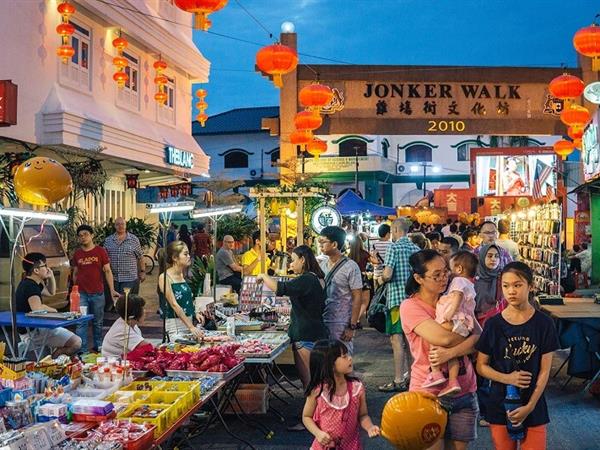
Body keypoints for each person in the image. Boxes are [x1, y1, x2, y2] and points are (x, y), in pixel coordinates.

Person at [401, 249, 481, 449]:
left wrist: (452, 352)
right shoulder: (410, 307)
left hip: (464, 389)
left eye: (446, 272)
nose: (444, 278)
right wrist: (466, 334)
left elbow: (481, 338)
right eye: (436, 275)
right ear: (418, 278)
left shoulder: (452, 298)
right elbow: (443, 338)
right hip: (428, 392)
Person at [476, 262, 559, 450]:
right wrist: (507, 378)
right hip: (500, 403)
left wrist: (530, 406)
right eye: (506, 286)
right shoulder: (493, 324)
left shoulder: (544, 323)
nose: (511, 291)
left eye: (517, 285)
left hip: (534, 403)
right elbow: (481, 366)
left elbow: (545, 371)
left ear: (531, 286)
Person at [302, 340, 380, 449]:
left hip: (351, 446)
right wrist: (318, 433)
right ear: (330, 364)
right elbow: (306, 416)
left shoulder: (357, 388)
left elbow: (363, 415)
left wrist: (370, 427)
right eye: (344, 356)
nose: (349, 358)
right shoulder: (318, 391)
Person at [423, 251, 478, 398]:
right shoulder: (470, 283)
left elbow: (458, 296)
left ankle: (436, 373)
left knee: (436, 343)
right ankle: (453, 381)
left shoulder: (458, 281)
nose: (447, 274)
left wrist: (450, 313)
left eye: (449, 269)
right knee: (451, 353)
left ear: (459, 269)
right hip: (463, 321)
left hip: (454, 319)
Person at [378, 218, 420, 392]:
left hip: (396, 301)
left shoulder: (393, 247)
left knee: (397, 340)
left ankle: (398, 379)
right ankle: (412, 378)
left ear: (395, 230)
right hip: (414, 301)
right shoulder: (416, 249)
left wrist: (380, 279)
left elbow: (387, 274)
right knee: (411, 342)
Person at [16, 253, 81, 357]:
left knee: (73, 343)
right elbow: (37, 309)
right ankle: (53, 359)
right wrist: (53, 310)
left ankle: (53, 361)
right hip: (34, 332)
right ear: (36, 270)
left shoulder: (32, 283)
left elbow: (51, 292)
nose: (47, 268)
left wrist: (51, 277)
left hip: (37, 329)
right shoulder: (30, 287)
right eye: (45, 266)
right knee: (76, 343)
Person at [72, 225, 119, 353]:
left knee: (98, 322)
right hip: (82, 294)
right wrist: (74, 290)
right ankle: (82, 349)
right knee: (81, 322)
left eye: (86, 234)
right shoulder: (77, 254)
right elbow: (75, 273)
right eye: (80, 236)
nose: (83, 237)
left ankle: (98, 346)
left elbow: (108, 271)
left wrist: (112, 290)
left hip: (98, 293)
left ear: (92, 235)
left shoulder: (100, 251)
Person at [318, 226, 362, 354]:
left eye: (323, 242)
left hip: (341, 323)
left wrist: (351, 326)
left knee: (342, 357)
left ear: (334, 244)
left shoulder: (351, 267)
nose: (320, 245)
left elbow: (357, 298)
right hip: (323, 320)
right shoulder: (322, 265)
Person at [158, 241, 204, 341]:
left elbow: (186, 300)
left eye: (188, 254)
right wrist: (191, 326)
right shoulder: (165, 277)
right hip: (176, 325)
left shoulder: (182, 275)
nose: (189, 256)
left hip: (188, 322)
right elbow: (174, 304)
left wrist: (195, 313)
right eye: (185, 254)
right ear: (175, 258)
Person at [103, 217, 144, 296]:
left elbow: (140, 257)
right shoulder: (108, 240)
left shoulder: (134, 239)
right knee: (115, 303)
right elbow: (104, 258)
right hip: (113, 279)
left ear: (126, 225)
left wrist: (142, 271)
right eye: (117, 224)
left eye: (122, 224)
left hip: (129, 278)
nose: (120, 226)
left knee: (127, 303)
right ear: (114, 226)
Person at [475, 244, 507, 328]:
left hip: (497, 323)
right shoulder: (474, 278)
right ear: (482, 257)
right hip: (476, 324)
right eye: (489, 256)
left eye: (497, 256)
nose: (493, 259)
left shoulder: (503, 278)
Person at [348, 234, 375, 322]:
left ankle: (354, 319)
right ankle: (356, 319)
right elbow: (376, 262)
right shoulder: (364, 253)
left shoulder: (349, 255)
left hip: (352, 278)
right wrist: (374, 254)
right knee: (365, 301)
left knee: (355, 300)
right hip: (362, 277)